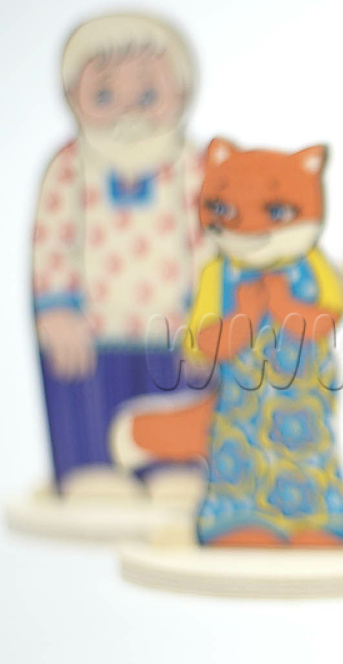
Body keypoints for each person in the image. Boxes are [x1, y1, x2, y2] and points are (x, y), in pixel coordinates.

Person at [32, 13, 206, 499]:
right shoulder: (69, 168)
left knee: (174, 401)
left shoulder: (189, 167)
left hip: (174, 327)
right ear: (74, 98)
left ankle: (174, 467)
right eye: (105, 95)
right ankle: (92, 468)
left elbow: (207, 241)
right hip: (91, 330)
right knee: (88, 399)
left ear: (181, 93)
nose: (128, 112)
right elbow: (52, 241)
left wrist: (209, 312)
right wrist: (56, 309)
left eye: (147, 95)